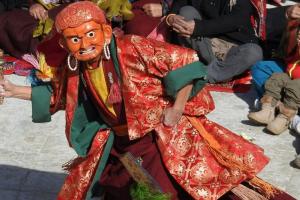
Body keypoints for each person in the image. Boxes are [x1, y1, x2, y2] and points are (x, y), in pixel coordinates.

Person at [0, 2, 295, 199]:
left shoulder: (134, 48)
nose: (85, 44)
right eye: (75, 39)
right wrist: (14, 90)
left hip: (157, 138)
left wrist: (177, 108)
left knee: (178, 191)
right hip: (118, 144)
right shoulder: (75, 68)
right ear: (64, 43)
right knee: (117, 190)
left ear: (104, 31)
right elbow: (60, 97)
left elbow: (187, 64)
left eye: (90, 34)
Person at [249, 3, 300, 167]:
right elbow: (287, 52)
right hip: (291, 72)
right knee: (261, 69)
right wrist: (291, 21)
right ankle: (273, 108)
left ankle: (289, 115)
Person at [164, 0, 263, 83]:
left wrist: (198, 27)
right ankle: (222, 72)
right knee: (186, 12)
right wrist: (172, 17)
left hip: (233, 49)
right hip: (206, 44)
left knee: (254, 53)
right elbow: (180, 4)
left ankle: (201, 74)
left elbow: (237, 19)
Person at [0, 0, 71, 59]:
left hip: (61, 13)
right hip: (30, 10)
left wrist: (50, 13)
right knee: (7, 20)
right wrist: (32, 4)